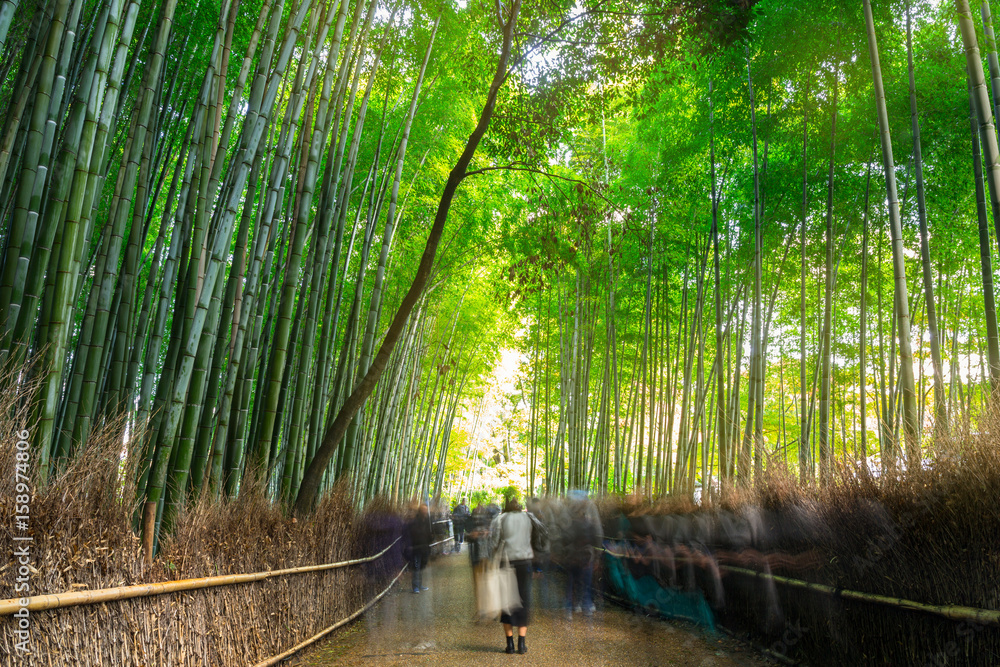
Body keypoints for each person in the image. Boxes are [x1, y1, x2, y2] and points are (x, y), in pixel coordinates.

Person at [489, 496, 543, 655]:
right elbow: (540, 535)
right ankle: (522, 643)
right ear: (519, 507)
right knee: (523, 601)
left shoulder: (500, 518)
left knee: (507, 602)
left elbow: (493, 543)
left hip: (506, 563)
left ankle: (510, 645)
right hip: (525, 562)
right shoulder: (529, 517)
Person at [403, 502, 432, 593]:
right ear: (420, 511)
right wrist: (409, 545)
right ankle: (415, 586)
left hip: (425, 547)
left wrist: (430, 538)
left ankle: (419, 584)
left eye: (426, 509)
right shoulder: (414, 521)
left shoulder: (428, 521)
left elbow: (430, 533)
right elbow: (408, 533)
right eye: (423, 509)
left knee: (422, 566)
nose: (425, 511)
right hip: (416, 548)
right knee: (416, 566)